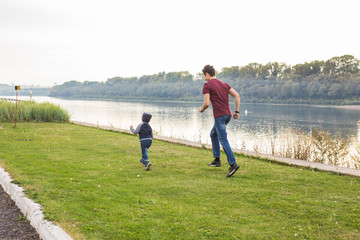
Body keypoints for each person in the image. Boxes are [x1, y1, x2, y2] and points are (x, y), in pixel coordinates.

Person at [199, 64, 241, 177]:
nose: (204, 78)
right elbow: (237, 95)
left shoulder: (207, 85)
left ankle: (233, 164)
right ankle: (217, 160)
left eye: (204, 75)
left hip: (220, 116)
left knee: (223, 140)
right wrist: (236, 112)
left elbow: (207, 103)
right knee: (213, 134)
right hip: (227, 115)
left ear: (207, 74)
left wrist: (201, 109)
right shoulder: (224, 84)